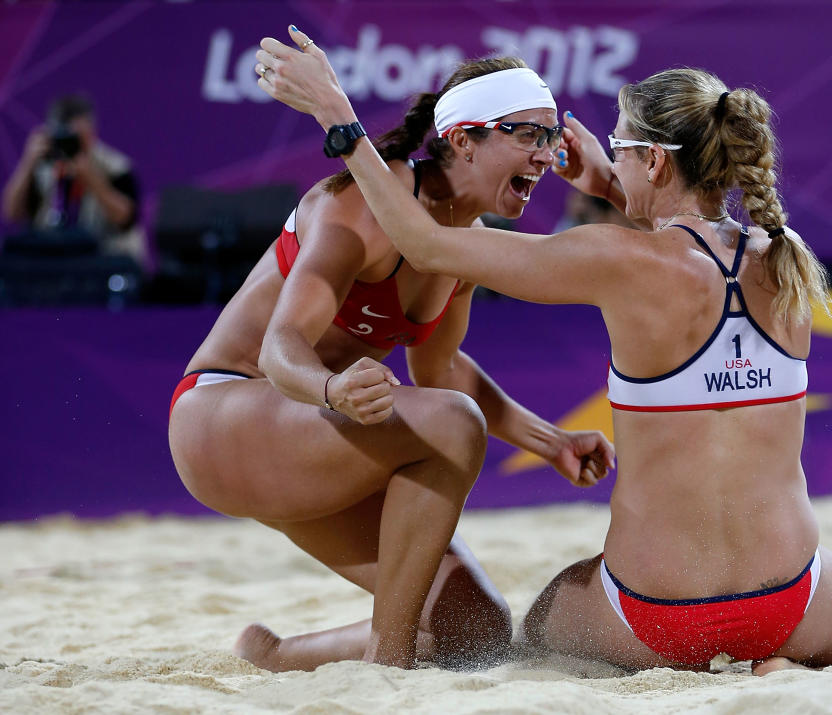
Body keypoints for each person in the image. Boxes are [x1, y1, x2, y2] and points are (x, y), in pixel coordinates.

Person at [256, 26, 832, 673]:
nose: (601, 166)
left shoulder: (615, 259)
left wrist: (341, 122)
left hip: (656, 617)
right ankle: (777, 659)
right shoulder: (789, 258)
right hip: (792, 602)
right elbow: (693, 250)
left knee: (514, 631)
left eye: (619, 151)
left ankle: (297, 651)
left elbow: (426, 242)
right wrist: (610, 180)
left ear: (653, 160)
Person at [168, 53, 614, 672]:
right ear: (463, 139)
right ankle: (390, 660)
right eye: (529, 134)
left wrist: (549, 440)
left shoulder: (461, 243)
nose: (546, 155)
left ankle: (274, 657)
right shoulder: (367, 201)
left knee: (474, 630)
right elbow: (280, 348)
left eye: (550, 135)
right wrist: (332, 389)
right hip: (226, 414)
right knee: (454, 426)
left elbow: (442, 374)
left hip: (314, 432)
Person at [1, 94, 146, 270]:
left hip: (102, 260)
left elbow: (125, 218)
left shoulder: (115, 167)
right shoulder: (43, 169)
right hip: (51, 260)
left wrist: (91, 178)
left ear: (91, 133)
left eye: (77, 137)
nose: (70, 144)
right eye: (64, 137)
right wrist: (28, 162)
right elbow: (11, 212)